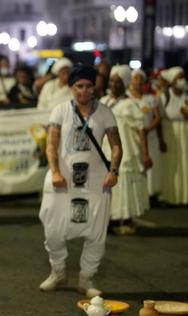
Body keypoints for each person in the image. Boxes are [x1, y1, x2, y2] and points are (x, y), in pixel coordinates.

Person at [38, 64, 122, 297]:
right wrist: (55, 172)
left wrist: (113, 172)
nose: (84, 91)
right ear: (71, 87)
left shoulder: (105, 112)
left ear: (95, 87)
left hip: (96, 181)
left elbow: (116, 146)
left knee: (96, 232)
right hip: (62, 180)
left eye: (88, 86)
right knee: (52, 228)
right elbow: (51, 145)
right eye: (79, 86)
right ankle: (58, 272)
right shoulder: (60, 111)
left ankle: (87, 279)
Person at [100, 65, 150, 235]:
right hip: (106, 149)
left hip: (126, 150)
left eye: (118, 81)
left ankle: (124, 218)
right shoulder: (103, 102)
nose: (114, 84)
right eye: (112, 80)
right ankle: (110, 219)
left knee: (124, 184)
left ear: (125, 83)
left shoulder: (130, 104)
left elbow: (141, 129)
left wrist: (144, 153)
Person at [127, 69, 163, 199]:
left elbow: (157, 117)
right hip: (132, 137)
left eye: (141, 79)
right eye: (136, 78)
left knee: (151, 165)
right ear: (131, 81)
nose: (138, 81)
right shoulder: (126, 98)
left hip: (150, 136)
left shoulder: (151, 98)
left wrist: (148, 129)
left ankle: (150, 193)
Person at [158, 66, 188, 205]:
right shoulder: (165, 95)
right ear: (172, 81)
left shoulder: (186, 96)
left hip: (184, 131)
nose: (182, 80)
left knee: (184, 163)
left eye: (183, 77)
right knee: (170, 164)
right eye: (179, 77)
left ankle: (184, 196)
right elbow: (160, 117)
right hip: (170, 131)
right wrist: (161, 140)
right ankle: (169, 195)